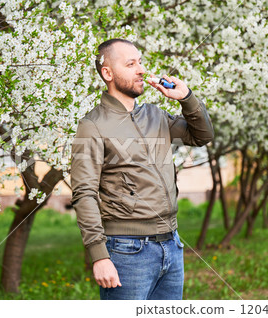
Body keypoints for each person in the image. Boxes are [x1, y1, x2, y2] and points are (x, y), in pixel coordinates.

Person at [70, 38, 214, 300]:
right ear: (108, 73)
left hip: (172, 243)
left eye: (140, 62)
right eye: (131, 64)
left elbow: (202, 135)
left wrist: (187, 98)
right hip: (127, 251)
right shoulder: (93, 125)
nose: (141, 70)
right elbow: (84, 193)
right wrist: (99, 255)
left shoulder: (155, 115)